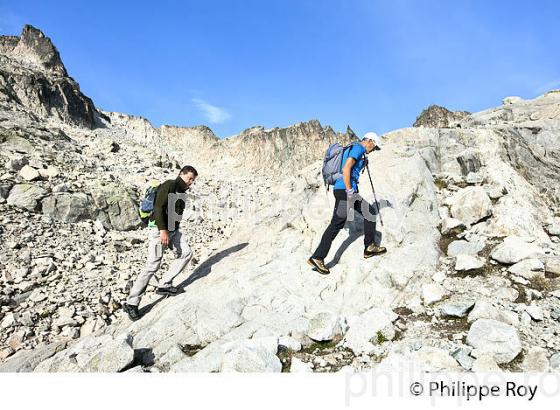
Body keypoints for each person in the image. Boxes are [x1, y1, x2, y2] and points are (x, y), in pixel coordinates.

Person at [122, 165, 197, 320]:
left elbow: (176, 213)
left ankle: (164, 284)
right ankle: (131, 302)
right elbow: (158, 208)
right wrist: (163, 231)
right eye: (189, 178)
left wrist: (174, 231)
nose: (191, 182)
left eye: (193, 180)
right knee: (153, 264)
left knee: (186, 253)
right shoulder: (169, 184)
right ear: (181, 174)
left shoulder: (182, 191)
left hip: (173, 231)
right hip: (159, 230)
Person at [308, 133, 386, 275]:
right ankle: (317, 257)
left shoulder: (356, 150)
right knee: (336, 224)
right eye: (374, 147)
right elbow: (346, 168)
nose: (373, 150)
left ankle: (369, 246)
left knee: (369, 211)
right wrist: (350, 189)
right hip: (345, 192)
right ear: (369, 141)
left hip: (346, 191)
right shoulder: (358, 148)